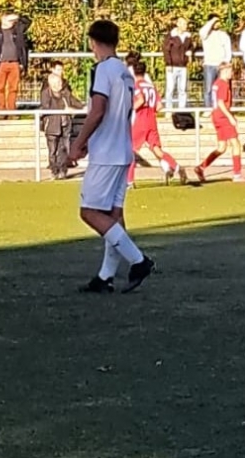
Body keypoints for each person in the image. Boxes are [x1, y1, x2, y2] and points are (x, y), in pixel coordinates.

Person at [69, 19, 154, 293]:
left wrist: (79, 142)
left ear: (93, 42)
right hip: (123, 149)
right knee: (113, 215)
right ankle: (105, 277)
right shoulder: (125, 72)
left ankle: (139, 261)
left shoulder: (104, 69)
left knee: (89, 212)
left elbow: (98, 109)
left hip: (106, 153)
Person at [127, 59, 187, 188]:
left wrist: (131, 108)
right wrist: (151, 109)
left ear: (134, 72)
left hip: (141, 121)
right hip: (152, 121)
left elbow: (141, 100)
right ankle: (177, 167)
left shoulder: (136, 85)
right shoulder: (151, 86)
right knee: (158, 151)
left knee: (130, 150)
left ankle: (129, 181)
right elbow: (159, 106)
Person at [194, 62, 245, 183]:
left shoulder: (216, 84)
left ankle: (201, 167)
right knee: (236, 144)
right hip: (223, 117)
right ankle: (237, 174)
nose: (231, 73)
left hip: (216, 116)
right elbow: (220, 102)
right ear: (224, 71)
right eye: (230, 71)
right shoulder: (223, 84)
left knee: (221, 147)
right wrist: (230, 117)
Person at [39, 61, 83, 180]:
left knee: (64, 148)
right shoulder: (46, 93)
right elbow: (46, 106)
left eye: (60, 82)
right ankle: (54, 170)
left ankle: (63, 170)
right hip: (52, 126)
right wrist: (64, 108)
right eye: (57, 82)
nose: (59, 84)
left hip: (65, 124)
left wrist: (82, 107)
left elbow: (73, 100)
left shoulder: (65, 91)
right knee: (53, 150)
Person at [0, 11, 29, 113]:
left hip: (15, 63)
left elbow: (27, 22)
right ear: (2, 19)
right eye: (9, 19)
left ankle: (12, 110)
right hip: (0, 64)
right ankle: (2, 111)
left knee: (13, 88)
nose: (11, 22)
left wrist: (17, 17)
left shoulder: (17, 30)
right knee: (0, 88)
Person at [200, 15, 232, 108]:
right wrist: (212, 20)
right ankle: (208, 109)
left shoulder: (223, 35)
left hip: (221, 66)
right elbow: (202, 32)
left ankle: (221, 108)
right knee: (208, 89)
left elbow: (228, 50)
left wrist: (226, 62)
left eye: (218, 22)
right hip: (209, 64)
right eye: (215, 22)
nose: (217, 24)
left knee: (222, 87)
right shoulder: (206, 34)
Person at [162, 17, 193, 110]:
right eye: (183, 24)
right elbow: (166, 50)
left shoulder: (188, 37)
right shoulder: (171, 36)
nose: (185, 26)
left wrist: (190, 52)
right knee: (170, 88)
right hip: (172, 66)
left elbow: (191, 47)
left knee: (182, 89)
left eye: (186, 24)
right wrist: (168, 63)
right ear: (178, 24)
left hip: (183, 66)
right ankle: (169, 109)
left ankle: (181, 109)